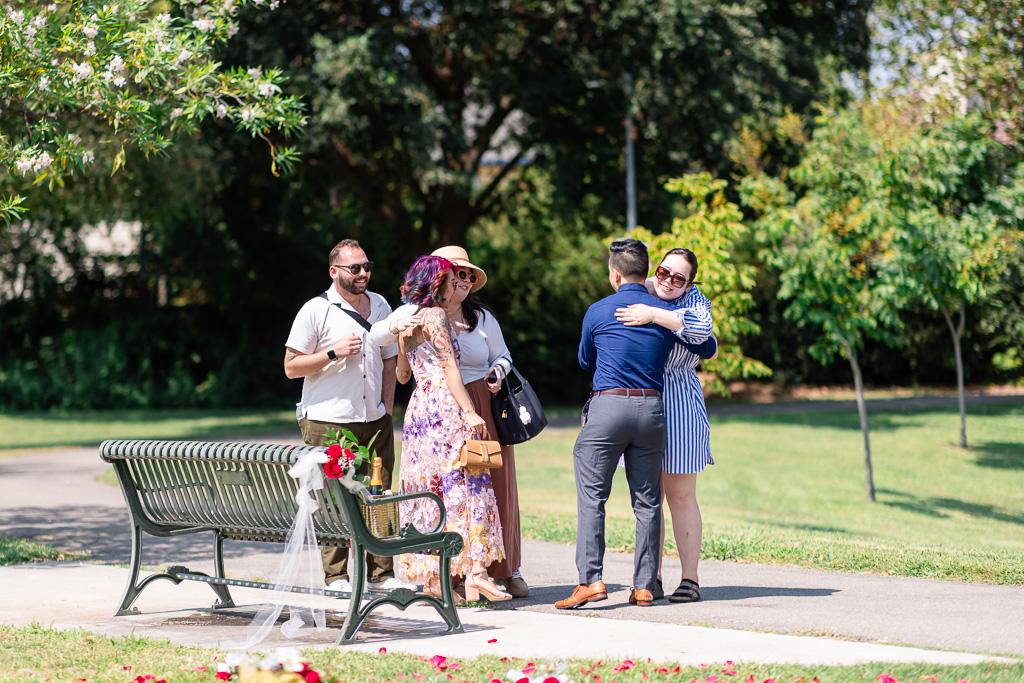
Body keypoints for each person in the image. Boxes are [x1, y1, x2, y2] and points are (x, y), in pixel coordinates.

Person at [370, 246, 529, 598]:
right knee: (467, 485)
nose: (464, 281)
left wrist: (402, 333)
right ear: (439, 280)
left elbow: (401, 375)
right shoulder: (437, 318)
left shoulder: (414, 322)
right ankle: (476, 573)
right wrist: (470, 411)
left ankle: (434, 580)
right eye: (457, 275)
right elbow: (449, 369)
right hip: (447, 403)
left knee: (427, 487)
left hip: (419, 408)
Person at [555, 238, 689, 610]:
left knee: (592, 497)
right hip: (651, 410)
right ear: (646, 274)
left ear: (615, 274)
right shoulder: (663, 313)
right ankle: (645, 586)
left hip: (608, 409)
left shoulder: (598, 311)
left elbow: (585, 360)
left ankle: (590, 581)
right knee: (647, 502)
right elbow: (705, 346)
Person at [283, 238, 414, 593]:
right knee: (334, 498)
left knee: (380, 494)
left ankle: (382, 574)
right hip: (329, 419)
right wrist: (332, 352)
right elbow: (291, 367)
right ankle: (336, 577)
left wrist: (386, 406)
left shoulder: (383, 305)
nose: (362, 273)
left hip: (375, 419)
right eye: (354, 267)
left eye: (366, 267)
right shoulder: (316, 310)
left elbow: (389, 359)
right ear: (334, 271)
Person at [615, 248, 717, 603]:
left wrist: (653, 314)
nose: (669, 281)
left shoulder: (693, 301)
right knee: (648, 499)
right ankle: (650, 578)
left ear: (689, 282)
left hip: (679, 401)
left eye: (679, 278)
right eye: (664, 272)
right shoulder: (638, 288)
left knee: (681, 495)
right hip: (640, 397)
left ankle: (690, 579)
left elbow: (704, 331)